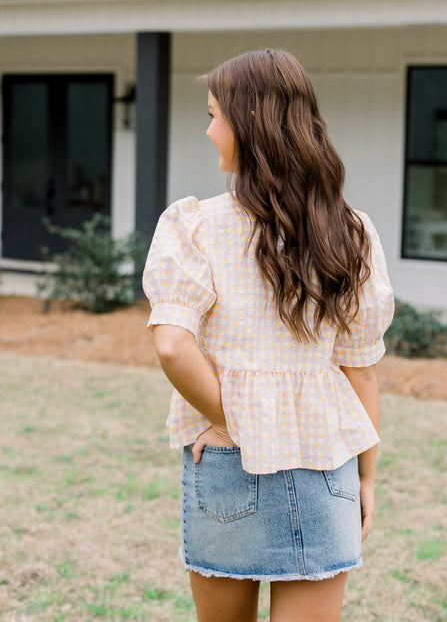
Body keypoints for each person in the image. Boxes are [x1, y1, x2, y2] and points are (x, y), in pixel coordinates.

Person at [143, 49, 394, 622]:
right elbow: (361, 369)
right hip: (329, 463)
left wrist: (230, 423)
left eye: (214, 116)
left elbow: (173, 345)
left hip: (231, 459)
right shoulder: (352, 232)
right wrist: (368, 478)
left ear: (249, 122)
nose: (209, 131)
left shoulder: (195, 226)